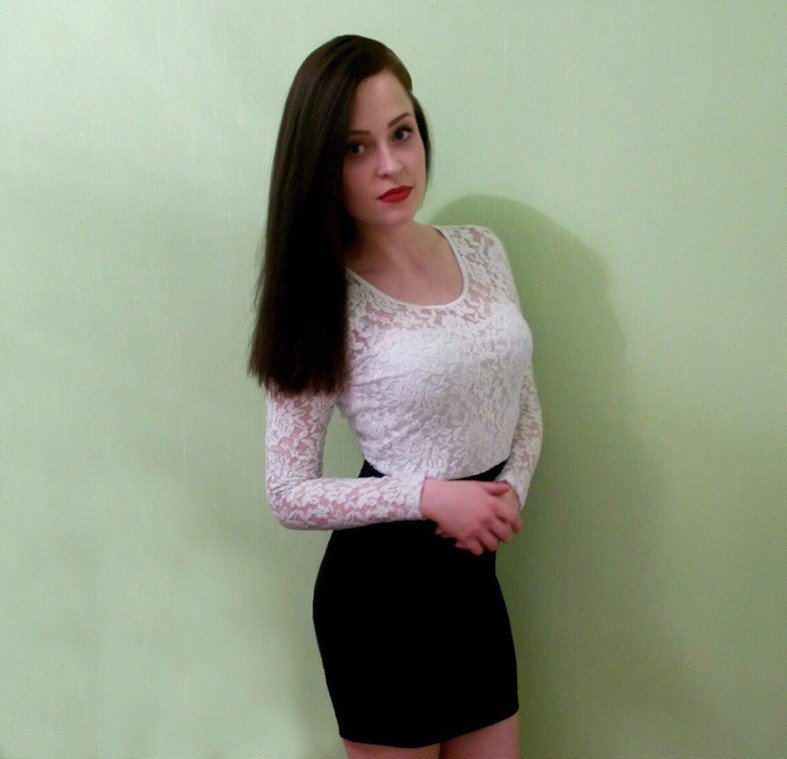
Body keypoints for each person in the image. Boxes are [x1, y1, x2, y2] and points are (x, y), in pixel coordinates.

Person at [249, 34, 543, 759]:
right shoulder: (318, 299)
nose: (390, 164)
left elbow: (524, 401)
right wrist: (431, 497)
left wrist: (510, 492)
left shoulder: (482, 248)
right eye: (356, 148)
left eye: (401, 132)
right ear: (319, 165)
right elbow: (288, 492)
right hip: (379, 600)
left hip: (474, 578)